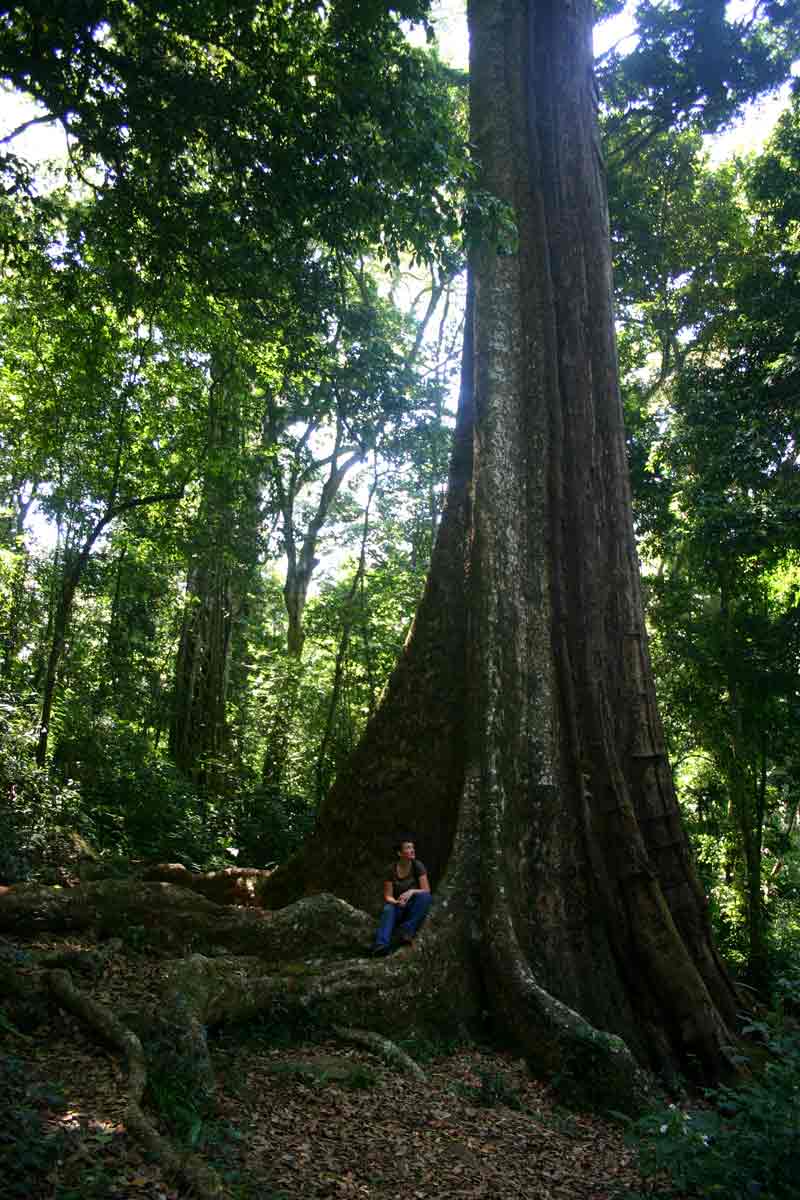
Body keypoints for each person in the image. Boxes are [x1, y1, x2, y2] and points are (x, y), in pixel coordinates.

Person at [371, 837, 432, 957]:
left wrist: (412, 891)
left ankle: (406, 931)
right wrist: (396, 902)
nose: (412, 850)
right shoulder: (391, 870)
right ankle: (380, 946)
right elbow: (388, 896)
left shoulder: (417, 865)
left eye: (413, 847)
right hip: (398, 907)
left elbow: (426, 890)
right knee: (388, 909)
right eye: (408, 848)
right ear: (399, 853)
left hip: (413, 907)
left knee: (426, 897)